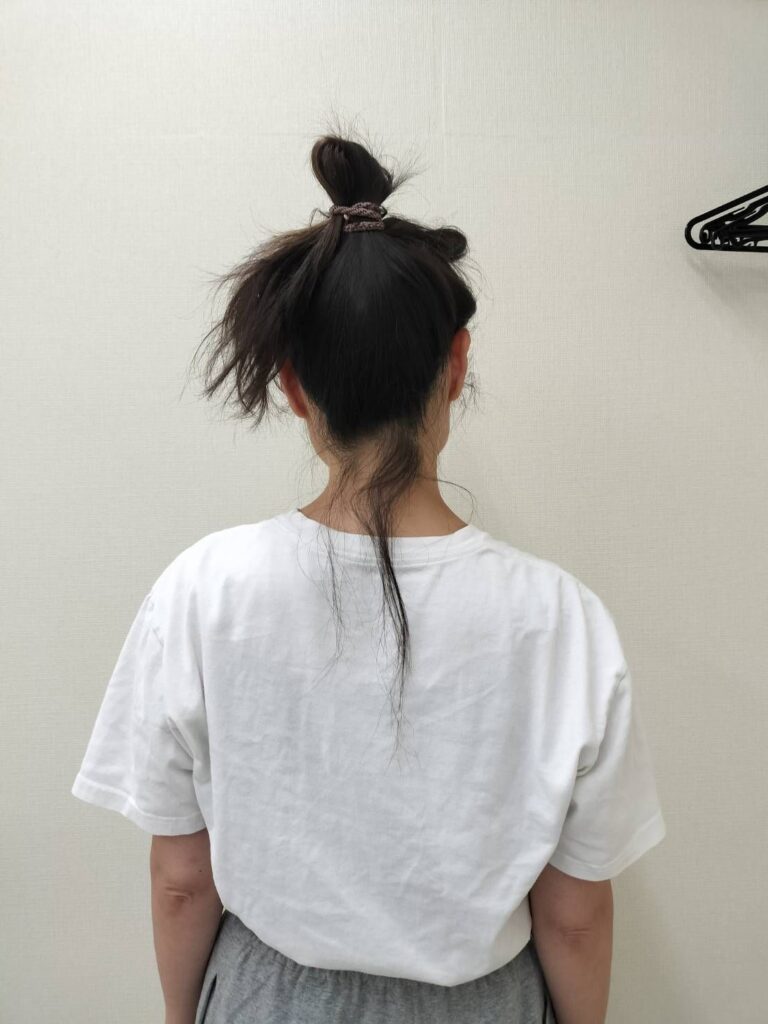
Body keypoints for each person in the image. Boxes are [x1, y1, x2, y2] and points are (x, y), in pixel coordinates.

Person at [71, 127, 666, 1024]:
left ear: (292, 386)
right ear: (456, 365)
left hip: (270, 998)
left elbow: (183, 878)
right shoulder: (560, 618)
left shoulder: (203, 590)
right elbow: (574, 916)